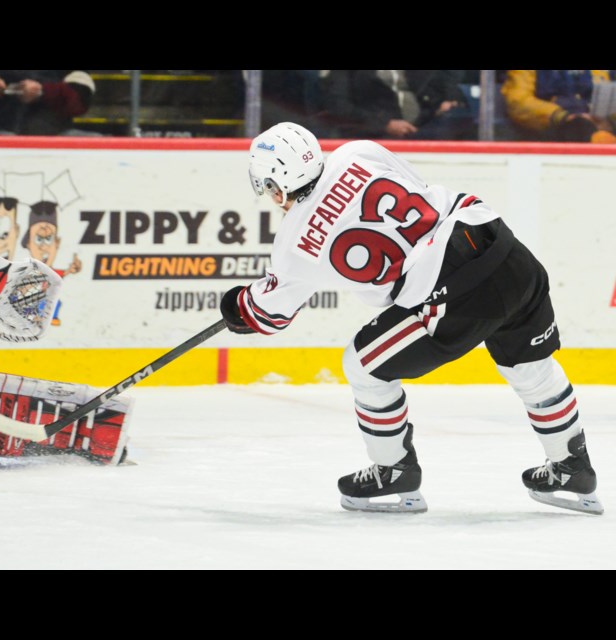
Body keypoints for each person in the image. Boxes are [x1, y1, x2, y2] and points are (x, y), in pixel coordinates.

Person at [220, 122, 602, 514]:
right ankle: (572, 465)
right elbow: (417, 192)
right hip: (500, 245)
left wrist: (236, 305)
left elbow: (266, 317)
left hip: (454, 288)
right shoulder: (357, 152)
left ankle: (394, 470)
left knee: (363, 365)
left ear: (277, 186)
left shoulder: (294, 246)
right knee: (530, 365)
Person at [323, 70, 475, 140]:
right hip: (371, 138)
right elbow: (338, 106)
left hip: (424, 130)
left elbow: (443, 81)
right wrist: (384, 124)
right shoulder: (348, 73)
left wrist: (446, 102)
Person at [501, 70, 616, 143]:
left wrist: (607, 120)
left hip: (598, 125)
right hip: (553, 128)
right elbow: (518, 102)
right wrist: (562, 116)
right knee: (579, 126)